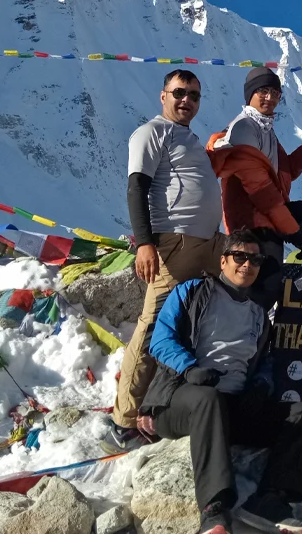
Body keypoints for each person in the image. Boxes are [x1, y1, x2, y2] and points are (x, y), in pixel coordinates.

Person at [137, 229, 302, 534]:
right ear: (223, 260)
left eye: (255, 259)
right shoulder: (191, 292)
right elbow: (159, 339)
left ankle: (269, 500)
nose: (247, 264)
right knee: (209, 399)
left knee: (299, 414)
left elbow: (264, 361)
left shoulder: (259, 314)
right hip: (181, 400)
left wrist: (260, 385)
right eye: (240, 256)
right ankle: (214, 510)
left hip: (231, 409)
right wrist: (189, 368)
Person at [105, 69, 226, 453]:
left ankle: (170, 403)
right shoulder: (151, 132)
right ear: (163, 96)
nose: (186, 100)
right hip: (174, 243)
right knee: (156, 323)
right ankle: (123, 421)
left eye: (193, 95)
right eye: (179, 92)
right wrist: (144, 243)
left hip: (208, 243)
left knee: (200, 322)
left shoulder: (187, 137)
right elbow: (136, 187)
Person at [207, 67, 302, 305]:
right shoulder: (244, 128)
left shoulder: (266, 130)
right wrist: (297, 237)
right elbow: (263, 193)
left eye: (275, 93)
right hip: (252, 226)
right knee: (264, 293)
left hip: (273, 216)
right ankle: (251, 335)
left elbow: (286, 171)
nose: (270, 98)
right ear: (250, 94)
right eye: (263, 91)